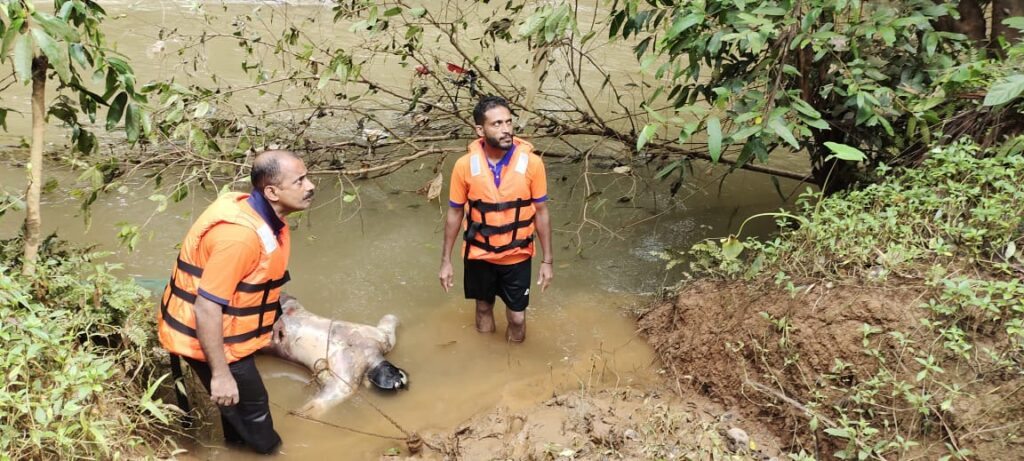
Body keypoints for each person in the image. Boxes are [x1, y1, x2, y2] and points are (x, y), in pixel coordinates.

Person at [157, 150, 315, 454]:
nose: (309, 186)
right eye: (299, 181)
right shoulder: (238, 237)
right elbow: (206, 306)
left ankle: (234, 447)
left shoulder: (265, 218)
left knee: (239, 412)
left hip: (224, 329)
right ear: (272, 192)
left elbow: (260, 277)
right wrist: (220, 374)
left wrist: (275, 315)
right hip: (207, 334)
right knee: (256, 418)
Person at [439, 96, 553, 342]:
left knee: (517, 318)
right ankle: (487, 359)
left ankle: (515, 370)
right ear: (480, 129)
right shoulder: (464, 166)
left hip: (518, 254)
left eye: (509, 123)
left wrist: (548, 261)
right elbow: (455, 213)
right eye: (497, 124)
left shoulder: (532, 164)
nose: (506, 130)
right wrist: (446, 261)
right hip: (480, 254)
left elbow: (542, 212)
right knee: (482, 308)